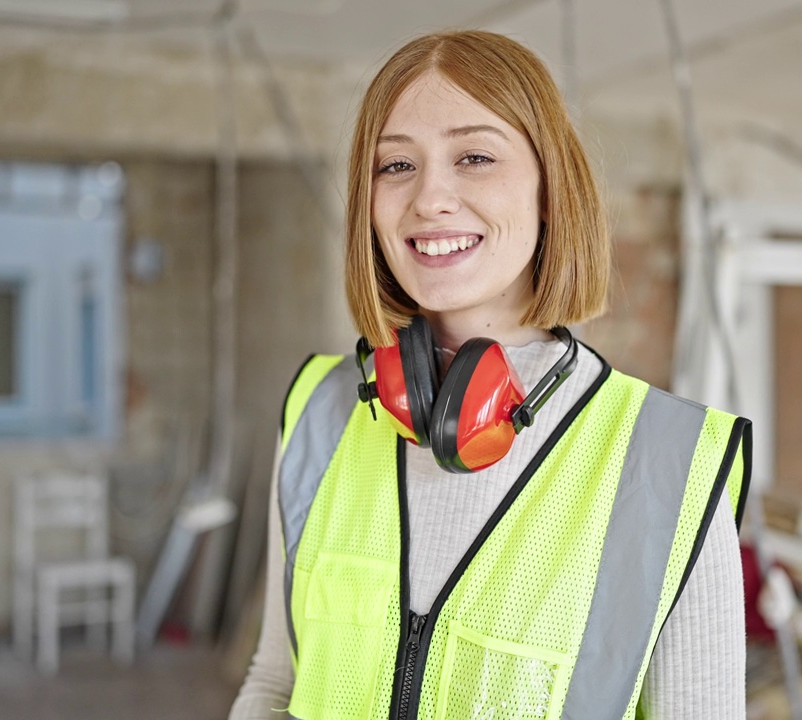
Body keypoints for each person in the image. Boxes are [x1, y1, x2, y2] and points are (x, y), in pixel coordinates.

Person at [230, 30, 750, 720]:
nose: (429, 198)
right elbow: (274, 683)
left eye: (474, 157)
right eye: (395, 166)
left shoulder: (670, 466)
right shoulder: (319, 412)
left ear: (547, 191)